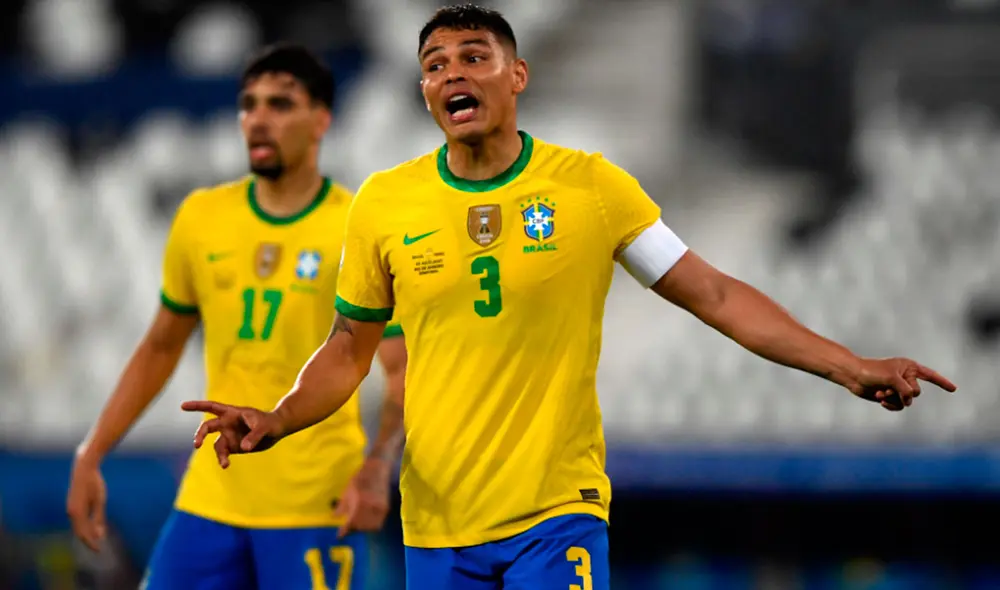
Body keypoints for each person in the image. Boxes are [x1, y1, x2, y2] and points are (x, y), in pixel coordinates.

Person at [181, 6, 958, 590]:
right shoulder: (386, 203)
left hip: (556, 514)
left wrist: (845, 365)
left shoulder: (589, 187)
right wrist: (277, 417)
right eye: (435, 63)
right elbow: (348, 350)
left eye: (473, 56)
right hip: (436, 525)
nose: (451, 72)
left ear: (516, 76)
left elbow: (713, 292)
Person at [66, 44, 407, 590]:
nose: (259, 120)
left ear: (322, 119)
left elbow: (399, 369)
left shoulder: (356, 226)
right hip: (211, 497)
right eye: (249, 105)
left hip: (314, 503)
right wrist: (92, 452)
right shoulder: (202, 217)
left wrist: (376, 469)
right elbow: (160, 345)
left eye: (280, 104)